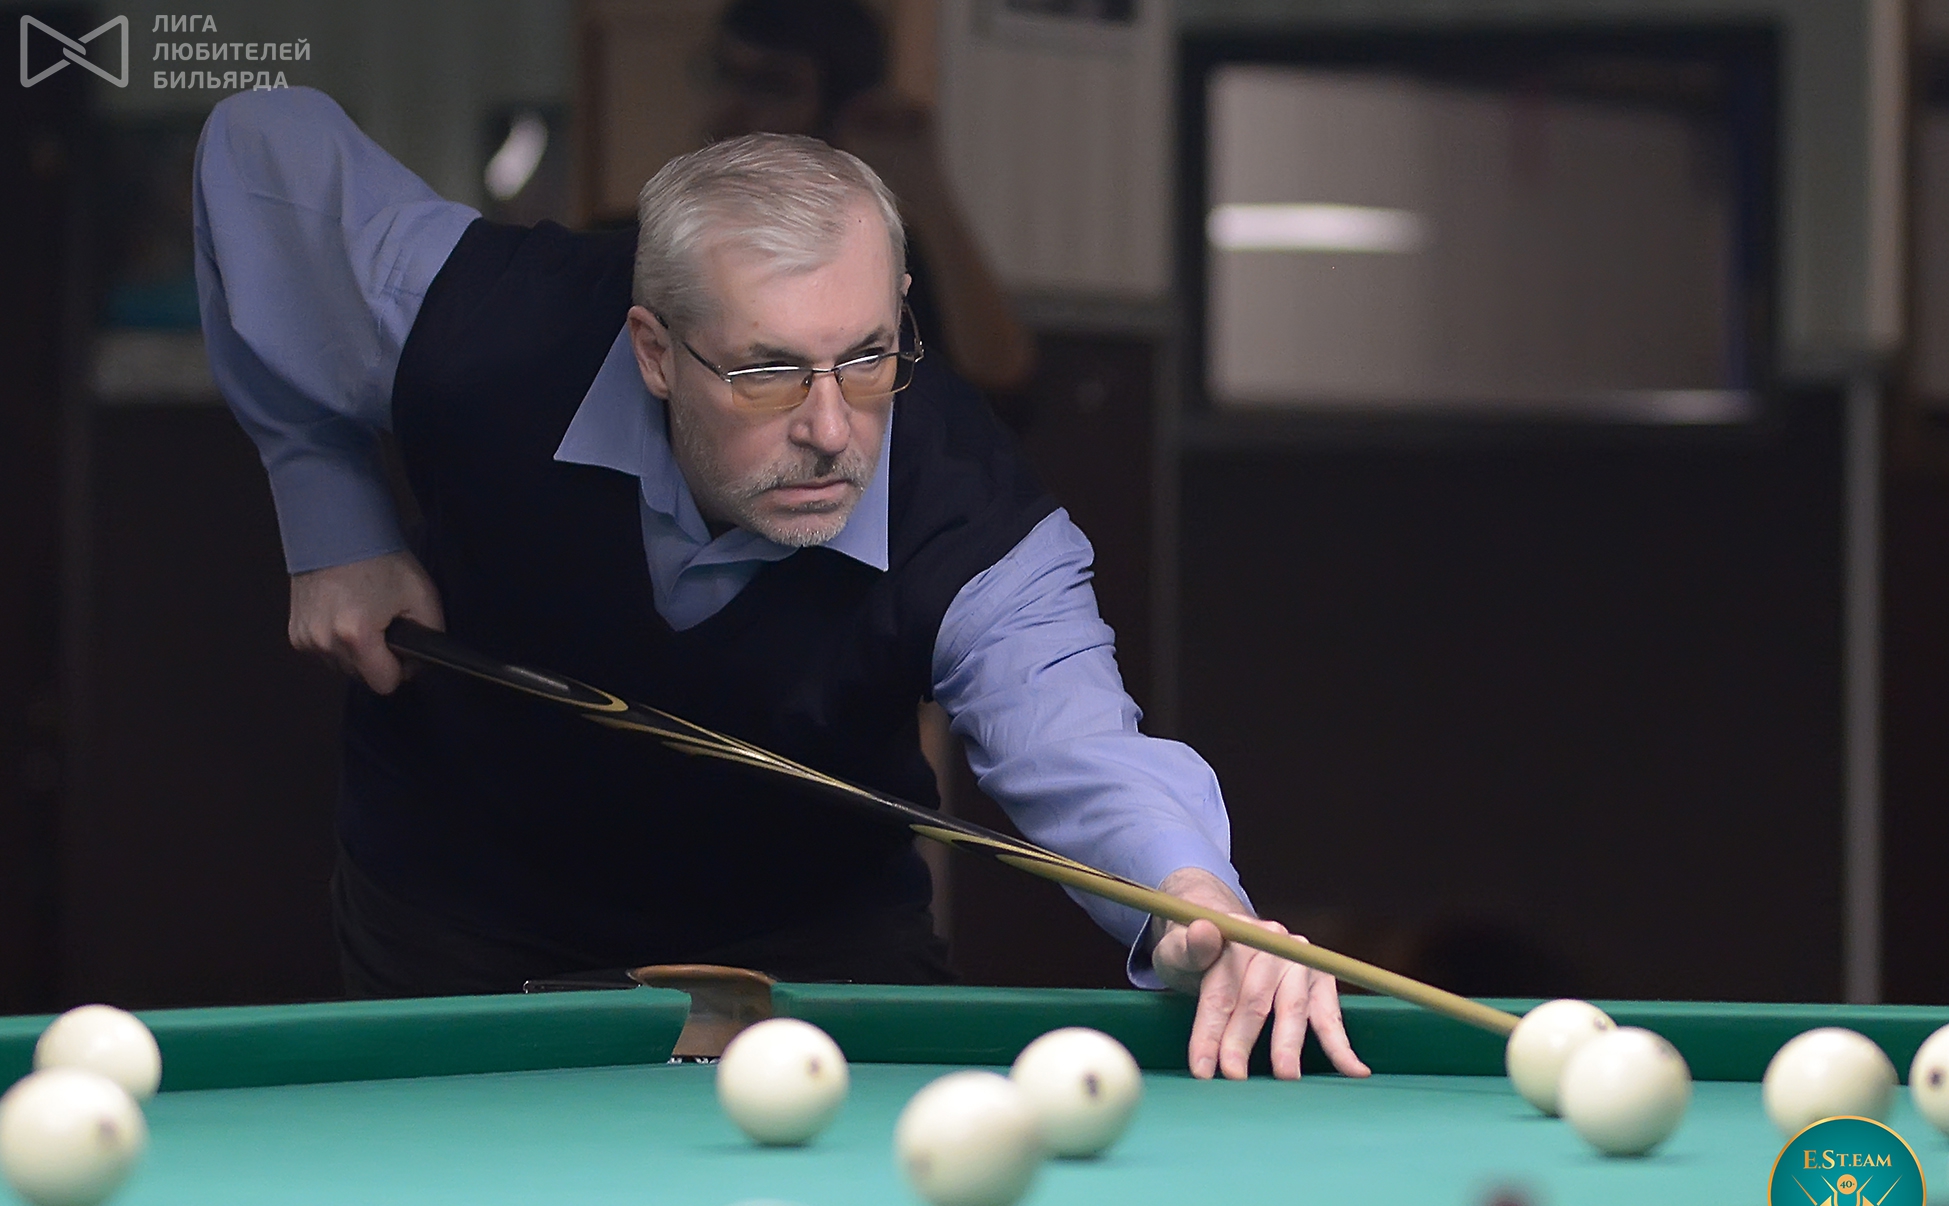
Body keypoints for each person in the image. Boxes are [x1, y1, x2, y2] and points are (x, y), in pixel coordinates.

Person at [192, 86, 1367, 1084]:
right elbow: (260, 144)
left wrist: (1195, 898)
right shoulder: (490, 328)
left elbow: (1080, 742)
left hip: (813, 937)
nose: (830, 431)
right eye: (766, 372)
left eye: (866, 359)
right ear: (655, 352)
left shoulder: (970, 519)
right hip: (466, 906)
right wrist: (328, 510)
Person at [703, 0, 1034, 394]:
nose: (729, 108)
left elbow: (1001, 380)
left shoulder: (877, 255)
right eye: (721, 74)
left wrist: (926, 189)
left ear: (840, 112)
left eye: (771, 86)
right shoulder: (663, 238)